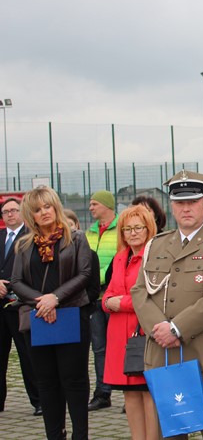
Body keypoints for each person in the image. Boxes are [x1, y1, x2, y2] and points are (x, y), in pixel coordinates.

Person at [131, 170, 203, 440]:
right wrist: (159, 328)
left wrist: (176, 328)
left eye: (192, 201)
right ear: (172, 206)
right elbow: (139, 291)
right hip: (163, 354)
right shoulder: (156, 245)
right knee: (168, 434)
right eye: (180, 202)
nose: (186, 208)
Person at [10, 186, 93, 440]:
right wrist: (41, 303)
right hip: (37, 319)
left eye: (47, 206)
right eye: (37, 209)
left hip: (71, 315)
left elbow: (84, 274)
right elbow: (16, 280)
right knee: (46, 382)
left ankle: (80, 435)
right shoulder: (24, 245)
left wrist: (54, 298)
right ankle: (55, 435)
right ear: (30, 215)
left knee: (74, 380)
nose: (44, 212)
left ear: (56, 206)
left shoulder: (76, 238)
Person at [101, 205, 159, 440]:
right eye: (127, 229)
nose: (133, 233)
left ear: (148, 229)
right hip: (119, 335)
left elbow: (152, 294)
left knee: (148, 392)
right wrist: (108, 302)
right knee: (129, 393)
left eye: (138, 228)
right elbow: (108, 292)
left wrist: (120, 303)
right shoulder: (119, 258)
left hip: (143, 331)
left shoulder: (154, 256)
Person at [0, 197, 40, 415]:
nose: (10, 214)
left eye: (14, 210)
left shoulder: (31, 237)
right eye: (6, 211)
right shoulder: (0, 237)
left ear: (22, 212)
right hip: (0, 307)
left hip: (20, 305)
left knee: (28, 355)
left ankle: (39, 401)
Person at [85, 189, 118, 411]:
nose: (91, 208)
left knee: (122, 345)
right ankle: (102, 393)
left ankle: (130, 390)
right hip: (94, 297)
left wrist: (103, 277)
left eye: (94, 204)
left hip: (114, 295)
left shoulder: (121, 229)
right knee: (99, 348)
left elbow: (121, 260)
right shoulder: (89, 232)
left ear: (107, 205)